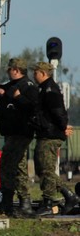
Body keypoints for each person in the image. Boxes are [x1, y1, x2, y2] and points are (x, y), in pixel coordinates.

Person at [31, 61, 80, 215]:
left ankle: (48, 202)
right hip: (45, 134)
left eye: (36, 72)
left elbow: (58, 111)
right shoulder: (44, 89)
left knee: (46, 169)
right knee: (42, 169)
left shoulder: (50, 89)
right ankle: (68, 195)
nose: (34, 75)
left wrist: (62, 126)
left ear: (43, 73)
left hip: (50, 135)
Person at [0, 58, 39, 216]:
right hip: (10, 133)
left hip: (20, 133)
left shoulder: (28, 87)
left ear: (16, 70)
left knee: (11, 166)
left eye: (10, 70)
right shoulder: (11, 85)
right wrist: (0, 91)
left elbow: (33, 107)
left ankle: (22, 201)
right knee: (13, 166)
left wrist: (18, 97)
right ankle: (10, 202)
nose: (8, 72)